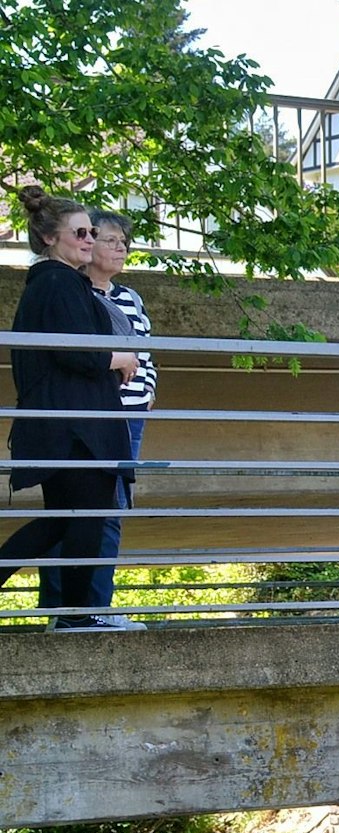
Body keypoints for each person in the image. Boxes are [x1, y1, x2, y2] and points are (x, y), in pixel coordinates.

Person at [0, 187, 141, 632]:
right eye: (80, 232)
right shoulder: (58, 282)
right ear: (49, 239)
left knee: (64, 520)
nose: (89, 239)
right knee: (84, 518)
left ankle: (76, 615)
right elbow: (74, 352)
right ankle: (77, 616)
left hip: (67, 423)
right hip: (75, 428)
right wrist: (118, 359)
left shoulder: (57, 282)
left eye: (92, 231)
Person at [69, 209, 157, 627]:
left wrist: (150, 388)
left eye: (124, 242)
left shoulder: (130, 297)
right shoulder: (75, 293)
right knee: (87, 509)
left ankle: (93, 608)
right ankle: (82, 611)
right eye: (110, 240)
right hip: (96, 413)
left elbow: (145, 349)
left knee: (113, 509)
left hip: (132, 414)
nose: (120, 248)